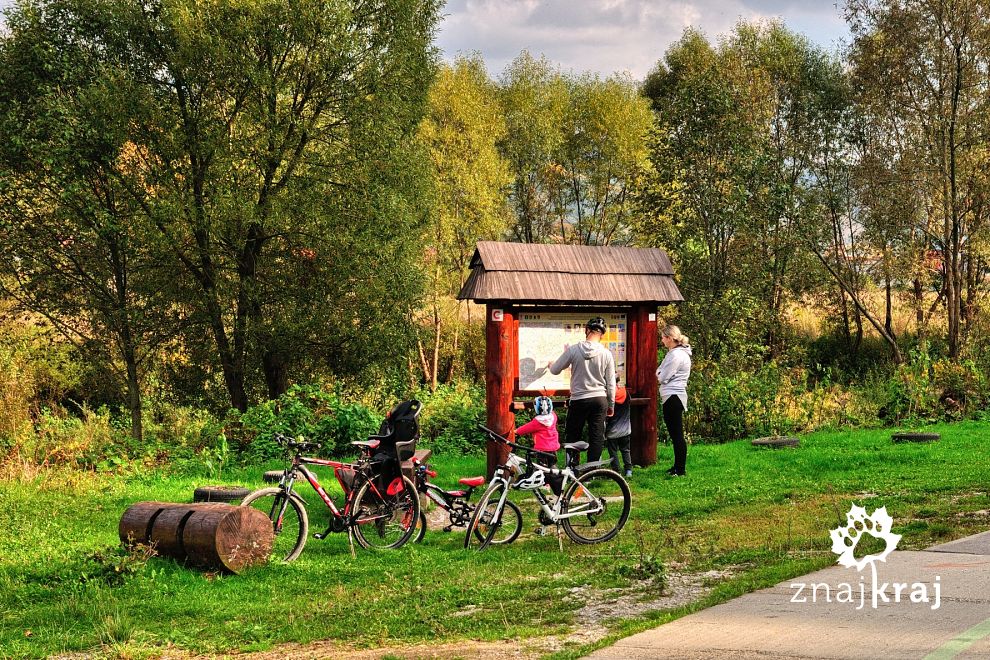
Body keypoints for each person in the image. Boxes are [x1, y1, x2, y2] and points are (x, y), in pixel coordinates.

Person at [548, 317, 616, 462]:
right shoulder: (606, 354)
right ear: (602, 335)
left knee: (573, 434)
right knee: (596, 436)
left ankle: (572, 469)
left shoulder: (573, 350)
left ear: (587, 330)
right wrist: (611, 405)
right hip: (599, 399)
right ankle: (591, 471)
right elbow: (610, 384)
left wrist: (550, 365)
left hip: (578, 399)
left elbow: (555, 370)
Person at [657, 324, 692, 477]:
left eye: (663, 337)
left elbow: (662, 376)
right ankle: (677, 466)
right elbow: (660, 372)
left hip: (673, 396)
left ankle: (680, 469)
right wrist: (660, 373)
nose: (662, 340)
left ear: (670, 338)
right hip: (671, 396)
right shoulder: (675, 353)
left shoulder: (676, 355)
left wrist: (660, 374)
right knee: (675, 433)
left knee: (677, 434)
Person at [514, 395, 560, 468]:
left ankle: (545, 478)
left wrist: (516, 431)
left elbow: (526, 428)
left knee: (542, 467)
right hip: (553, 447)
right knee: (552, 465)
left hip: (542, 449)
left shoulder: (537, 422)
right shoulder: (553, 416)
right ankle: (554, 477)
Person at [605, 385, 633, 477]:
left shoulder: (609, 397)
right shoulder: (626, 393)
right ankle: (628, 470)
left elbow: (607, 415)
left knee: (613, 451)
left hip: (612, 431)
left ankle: (616, 471)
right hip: (625, 429)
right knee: (625, 450)